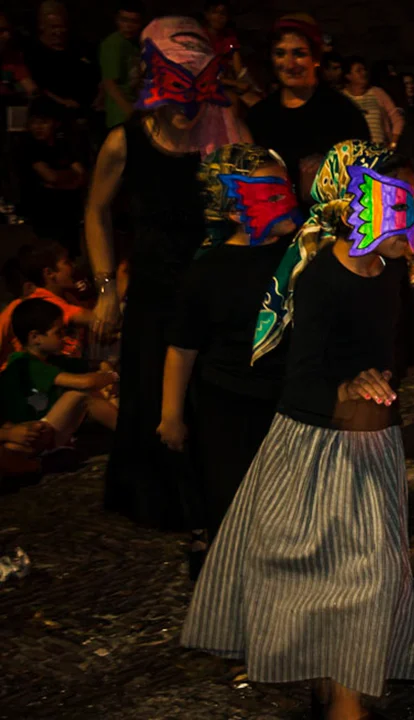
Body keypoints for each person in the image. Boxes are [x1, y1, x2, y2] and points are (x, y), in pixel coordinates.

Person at [183, 140, 414, 720]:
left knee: (372, 574)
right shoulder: (319, 280)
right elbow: (301, 378)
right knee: (309, 571)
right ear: (356, 207)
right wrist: (344, 389)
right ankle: (333, 686)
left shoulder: (392, 273)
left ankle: (345, 695)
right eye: (401, 204)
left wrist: (379, 381)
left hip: (371, 445)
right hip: (313, 448)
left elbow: (390, 351)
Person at [86, 16, 247, 532]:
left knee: (209, 401)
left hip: (210, 294)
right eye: (177, 95)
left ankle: (215, 501)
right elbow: (96, 211)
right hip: (154, 295)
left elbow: (259, 197)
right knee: (151, 396)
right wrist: (106, 288)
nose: (186, 110)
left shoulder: (221, 131)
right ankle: (160, 503)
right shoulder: (125, 142)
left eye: (196, 97)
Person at [157, 144, 301, 577]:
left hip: (290, 402)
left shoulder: (302, 257)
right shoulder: (208, 271)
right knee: (236, 504)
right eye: (271, 192)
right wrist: (171, 415)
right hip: (229, 408)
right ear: (236, 210)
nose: (288, 198)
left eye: (286, 187)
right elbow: (182, 347)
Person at [244, 14, 369, 203]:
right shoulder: (259, 117)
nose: (289, 64)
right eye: (280, 54)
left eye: (299, 54)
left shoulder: (342, 114)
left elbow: (365, 181)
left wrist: (329, 177)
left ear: (315, 58)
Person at [0, 298, 118, 440]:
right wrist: (114, 376)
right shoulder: (24, 363)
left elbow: (88, 365)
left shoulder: (51, 358)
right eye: (58, 333)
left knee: (103, 392)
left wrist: (103, 365)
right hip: (30, 433)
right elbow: (86, 382)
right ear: (35, 337)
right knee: (80, 396)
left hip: (44, 428)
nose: (64, 337)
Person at [0, 241, 93, 367]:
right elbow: (97, 319)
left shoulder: (67, 297)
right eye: (67, 262)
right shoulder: (40, 303)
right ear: (49, 273)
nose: (74, 266)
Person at [15, 96, 86, 257]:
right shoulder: (28, 146)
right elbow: (50, 177)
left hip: (68, 213)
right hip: (42, 212)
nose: (38, 127)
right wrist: (69, 177)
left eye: (44, 122)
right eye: (34, 122)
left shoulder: (63, 145)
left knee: (71, 254)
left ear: (56, 123)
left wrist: (63, 181)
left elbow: (82, 175)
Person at [24, 1, 97, 125]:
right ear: (42, 26)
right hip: (50, 117)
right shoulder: (33, 52)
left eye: (62, 27)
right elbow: (38, 88)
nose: (59, 31)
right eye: (53, 27)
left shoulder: (79, 48)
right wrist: (63, 102)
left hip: (87, 113)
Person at [203, 1, 261, 108]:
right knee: (232, 100)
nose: (219, 17)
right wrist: (235, 83)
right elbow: (206, 74)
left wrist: (247, 84)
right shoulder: (201, 37)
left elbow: (238, 68)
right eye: (215, 12)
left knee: (258, 102)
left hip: (227, 80)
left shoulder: (228, 36)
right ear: (207, 15)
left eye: (223, 13)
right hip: (209, 84)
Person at [342, 57, 403, 150]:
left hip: (378, 150)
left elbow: (397, 119)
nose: (364, 73)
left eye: (364, 70)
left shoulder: (378, 93)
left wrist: (393, 144)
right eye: (359, 71)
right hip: (353, 152)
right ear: (348, 76)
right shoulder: (342, 97)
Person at [99, 1, 143, 130]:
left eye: (134, 22)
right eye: (124, 20)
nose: (128, 26)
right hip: (120, 116)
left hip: (136, 109)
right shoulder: (113, 44)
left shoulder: (136, 44)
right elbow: (109, 83)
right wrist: (128, 110)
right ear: (117, 20)